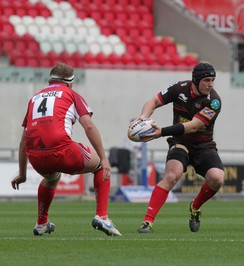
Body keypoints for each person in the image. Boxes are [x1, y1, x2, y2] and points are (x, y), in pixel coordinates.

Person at [11, 62, 121, 236]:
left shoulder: (35, 98)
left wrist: (23, 173)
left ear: (50, 82)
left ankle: (41, 223)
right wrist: (104, 157)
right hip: (62, 150)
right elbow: (89, 126)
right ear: (70, 83)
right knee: (100, 165)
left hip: (36, 156)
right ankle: (102, 216)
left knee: (52, 177)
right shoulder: (71, 94)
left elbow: (24, 140)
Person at [133, 62, 224, 233]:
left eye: (212, 80)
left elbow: (194, 126)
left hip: (204, 146)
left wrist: (162, 132)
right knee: (171, 175)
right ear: (195, 80)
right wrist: (142, 119)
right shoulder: (179, 88)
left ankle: (195, 207)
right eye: (206, 80)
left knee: (217, 179)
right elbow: (153, 101)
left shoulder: (214, 101)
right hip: (180, 142)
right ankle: (147, 222)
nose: (210, 84)